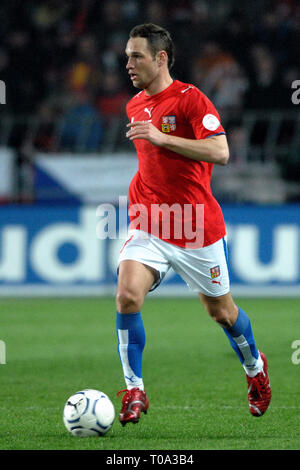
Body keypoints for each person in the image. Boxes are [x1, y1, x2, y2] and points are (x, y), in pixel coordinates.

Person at [116, 23, 271, 426]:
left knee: (221, 312)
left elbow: (220, 151)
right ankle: (135, 389)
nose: (128, 63)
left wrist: (163, 138)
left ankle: (255, 370)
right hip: (149, 220)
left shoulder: (190, 100)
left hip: (195, 227)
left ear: (160, 58)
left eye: (137, 56)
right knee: (127, 297)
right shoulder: (135, 105)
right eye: (127, 55)